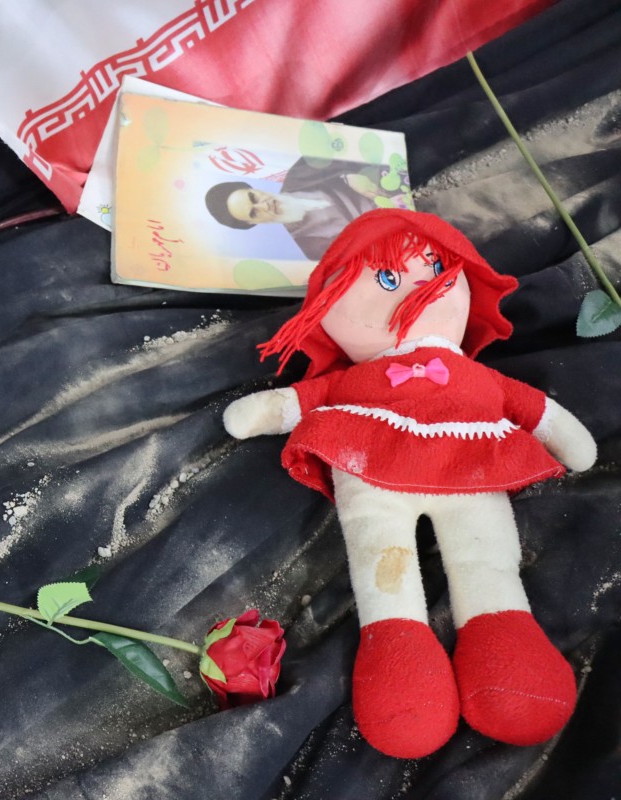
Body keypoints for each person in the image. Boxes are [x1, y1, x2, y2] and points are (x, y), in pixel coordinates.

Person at [223, 209, 594, 758]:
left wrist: (568, 439)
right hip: (372, 466)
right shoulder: (355, 379)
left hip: (472, 467)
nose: (420, 286)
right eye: (387, 276)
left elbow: (533, 409)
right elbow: (298, 401)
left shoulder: (475, 376)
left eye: (437, 269)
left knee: (487, 559)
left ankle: (507, 641)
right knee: (383, 564)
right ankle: (398, 656)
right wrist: (264, 410)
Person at [206, 158, 404, 259]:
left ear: (254, 188)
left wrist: (349, 176)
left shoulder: (299, 172)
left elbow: (349, 156)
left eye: (253, 198)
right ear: (253, 223)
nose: (264, 204)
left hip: (392, 182)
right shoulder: (307, 248)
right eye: (254, 212)